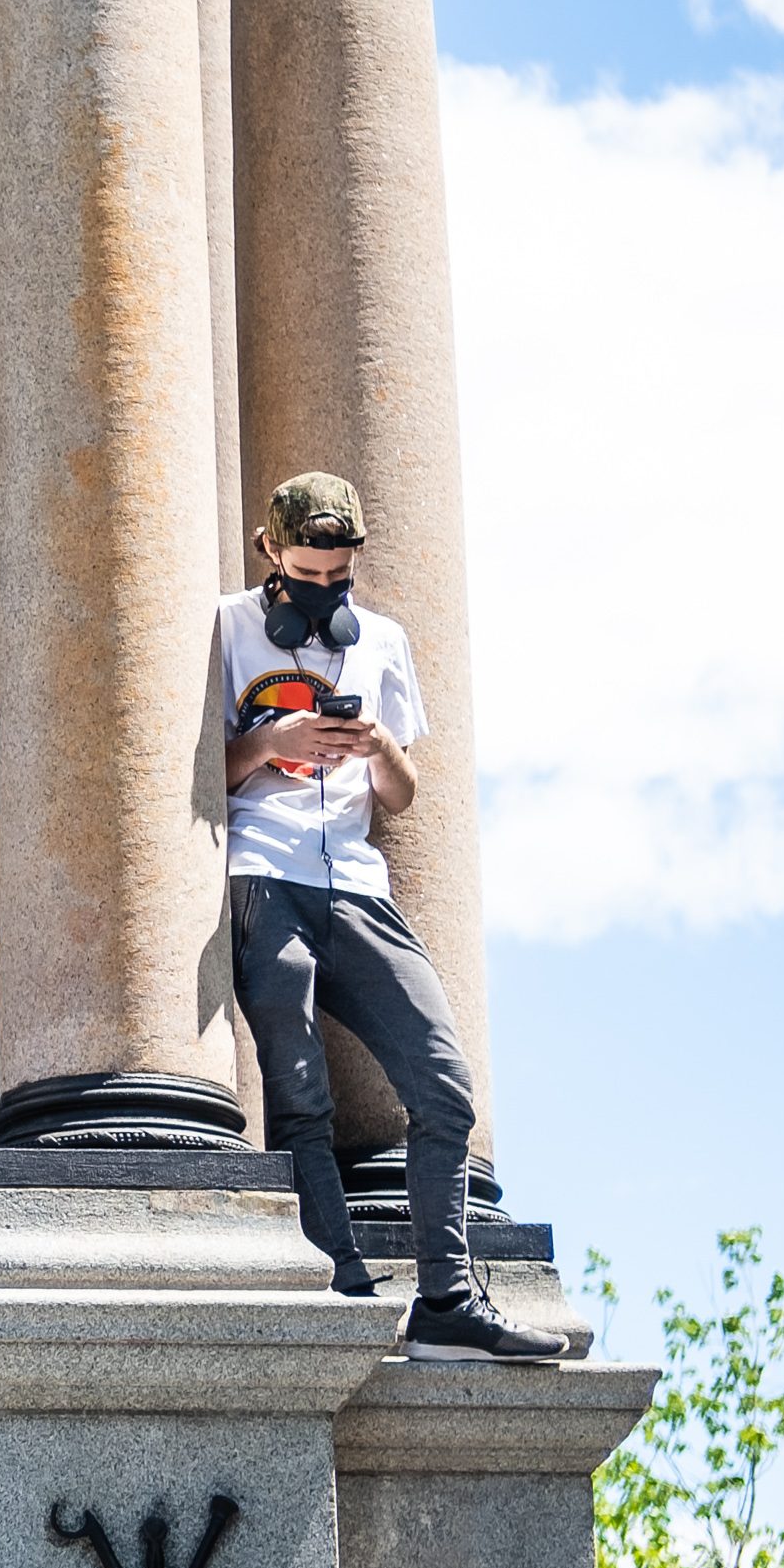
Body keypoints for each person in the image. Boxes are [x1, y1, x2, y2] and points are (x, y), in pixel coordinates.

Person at [223, 473, 564, 1362]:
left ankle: (448, 1298)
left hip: (361, 887)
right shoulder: (226, 627)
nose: (323, 592)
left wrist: (376, 746)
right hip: (265, 874)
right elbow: (188, 775)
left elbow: (403, 795)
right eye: (305, 574)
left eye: (338, 578)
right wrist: (269, 743)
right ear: (271, 553)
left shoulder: (382, 641)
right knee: (300, 1096)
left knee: (445, 1085)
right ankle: (345, 1288)